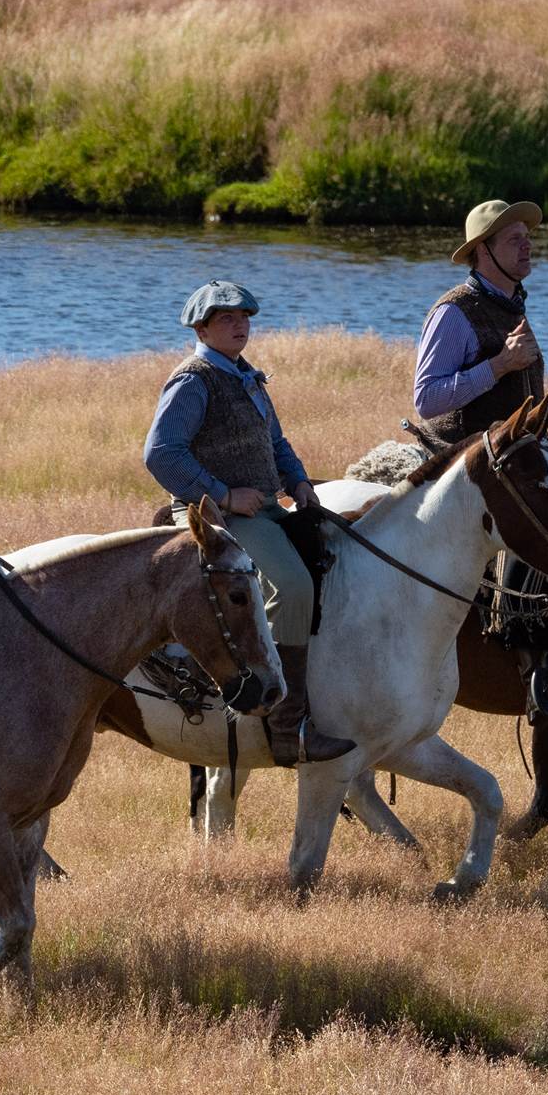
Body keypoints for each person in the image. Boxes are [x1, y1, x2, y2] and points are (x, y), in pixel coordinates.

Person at [143, 280, 356, 766]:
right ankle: (287, 728)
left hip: (261, 509)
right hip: (214, 517)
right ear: (201, 329)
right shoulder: (193, 381)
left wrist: (298, 480)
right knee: (293, 588)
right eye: (227, 319)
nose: (240, 325)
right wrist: (222, 495)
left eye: (244, 318)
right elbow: (160, 454)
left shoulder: (245, 375)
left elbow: (276, 443)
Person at [412, 198, 548, 717]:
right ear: (482, 252)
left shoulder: (513, 305)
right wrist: (498, 365)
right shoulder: (453, 313)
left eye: (527, 237)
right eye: (514, 239)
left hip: (515, 454)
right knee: (539, 526)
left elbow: (514, 395)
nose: (527, 246)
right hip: (467, 462)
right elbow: (426, 399)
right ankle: (532, 659)